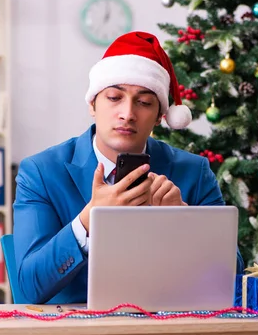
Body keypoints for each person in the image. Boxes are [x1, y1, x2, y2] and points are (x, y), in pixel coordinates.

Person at [13, 31, 245, 305]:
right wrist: (88, 219)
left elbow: (235, 280)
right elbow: (28, 288)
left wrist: (185, 222)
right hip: (73, 333)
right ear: (92, 105)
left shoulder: (194, 172)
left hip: (168, 329)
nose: (127, 113)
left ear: (160, 116)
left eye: (144, 102)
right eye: (113, 97)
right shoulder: (40, 172)